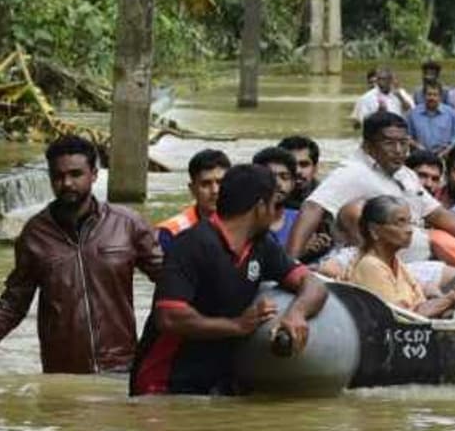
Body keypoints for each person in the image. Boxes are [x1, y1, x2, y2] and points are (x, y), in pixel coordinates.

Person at [0, 135, 163, 374]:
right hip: (63, 375)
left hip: (121, 368)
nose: (66, 183)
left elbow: (171, 280)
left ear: (94, 175)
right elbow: (14, 303)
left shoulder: (127, 225)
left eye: (76, 174)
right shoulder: (35, 235)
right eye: (58, 176)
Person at [130, 164, 328, 396]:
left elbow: (313, 284)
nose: (277, 214)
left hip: (217, 384)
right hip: (164, 384)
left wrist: (296, 314)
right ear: (260, 207)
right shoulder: (192, 245)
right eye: (275, 205)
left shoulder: (262, 245)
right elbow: (170, 317)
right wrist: (236, 326)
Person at [287, 111, 455, 268]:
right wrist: (290, 266)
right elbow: (312, 208)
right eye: (389, 143)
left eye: (403, 143)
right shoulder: (351, 172)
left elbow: (437, 214)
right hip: (379, 269)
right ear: (368, 145)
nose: (399, 151)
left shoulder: (406, 174)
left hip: (422, 261)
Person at [347, 195, 455, 318]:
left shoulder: (395, 262)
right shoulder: (370, 266)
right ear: (374, 230)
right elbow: (404, 318)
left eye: (409, 222)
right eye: (400, 222)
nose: (410, 230)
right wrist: (453, 297)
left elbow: (420, 300)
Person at [155, 149, 231, 252]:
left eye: (220, 182)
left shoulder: (247, 226)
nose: (215, 190)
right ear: (192, 189)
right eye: (206, 184)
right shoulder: (171, 232)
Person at [251, 146, 301, 249]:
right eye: (271, 176)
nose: (278, 184)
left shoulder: (302, 221)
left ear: (293, 183)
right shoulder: (244, 222)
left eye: (284, 177)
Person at [406, 81, 455, 154]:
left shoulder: (450, 113)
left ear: (440, 96)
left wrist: (446, 151)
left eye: (435, 95)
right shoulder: (413, 114)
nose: (432, 98)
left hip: (445, 155)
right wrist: (418, 147)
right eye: (429, 94)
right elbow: (408, 136)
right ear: (424, 95)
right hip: (420, 155)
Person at [277, 135, 320, 208]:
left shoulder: (326, 199)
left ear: (315, 168)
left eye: (304, 164)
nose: (297, 171)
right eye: (290, 164)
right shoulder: (263, 198)